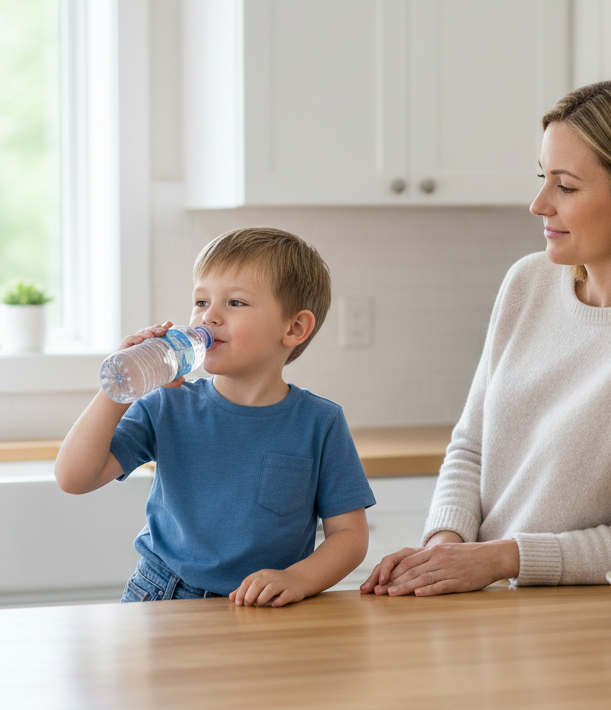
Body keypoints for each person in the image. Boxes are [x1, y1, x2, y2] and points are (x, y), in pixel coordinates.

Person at [361, 77, 611, 597]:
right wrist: (446, 546)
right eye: (542, 177)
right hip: (486, 603)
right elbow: (472, 446)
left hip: (586, 630)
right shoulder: (528, 282)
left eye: (565, 185)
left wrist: (501, 559)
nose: (539, 204)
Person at [56, 227, 375, 607]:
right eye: (201, 301)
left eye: (235, 303)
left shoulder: (320, 422)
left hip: (264, 605)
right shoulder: (166, 405)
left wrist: (298, 579)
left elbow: (349, 535)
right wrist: (118, 390)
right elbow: (73, 477)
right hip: (162, 596)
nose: (210, 317)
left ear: (294, 328)